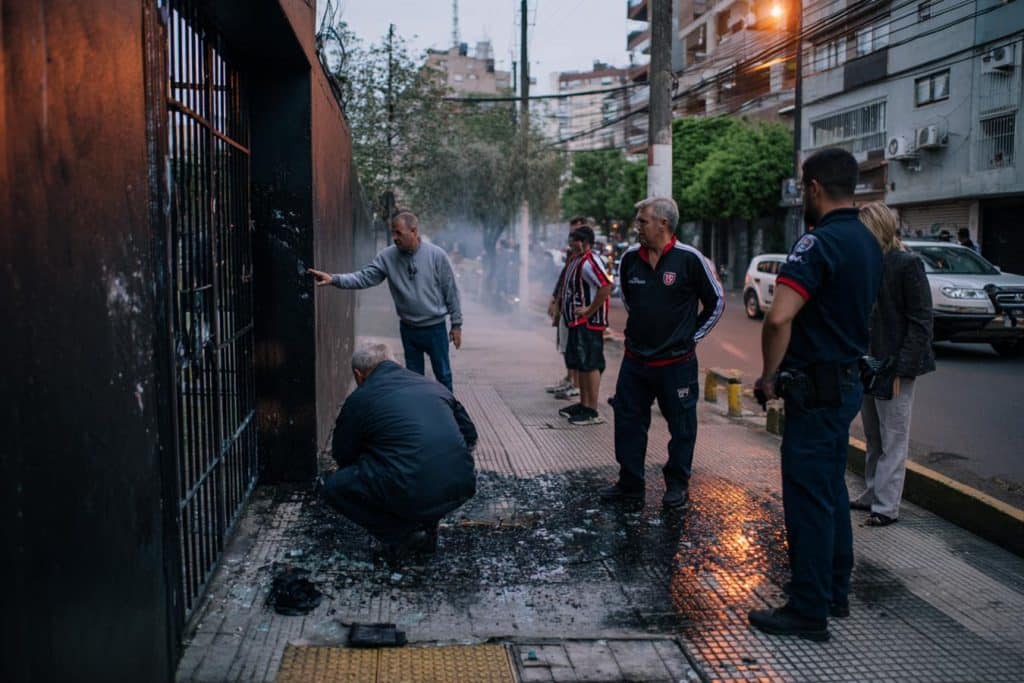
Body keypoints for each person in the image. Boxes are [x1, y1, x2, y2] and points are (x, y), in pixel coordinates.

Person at [749, 148, 883, 642]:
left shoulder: (818, 242)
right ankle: (833, 593)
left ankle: (808, 610)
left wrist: (768, 375)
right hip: (845, 383)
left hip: (816, 388)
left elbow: (779, 316)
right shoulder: (868, 240)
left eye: (803, 187)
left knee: (807, 497)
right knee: (830, 490)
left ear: (814, 187)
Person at [600, 197, 724, 508]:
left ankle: (677, 486)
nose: (637, 227)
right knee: (628, 422)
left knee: (682, 427)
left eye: (642, 221)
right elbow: (631, 301)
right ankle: (630, 484)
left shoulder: (690, 259)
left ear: (663, 224)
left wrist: (690, 338)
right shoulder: (630, 259)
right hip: (635, 362)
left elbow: (716, 302)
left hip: (677, 364)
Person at [321, 343, 477, 562]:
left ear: (358, 375)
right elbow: (470, 435)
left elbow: (343, 455)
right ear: (394, 362)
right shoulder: (432, 385)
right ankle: (427, 526)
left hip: (410, 487)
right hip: (461, 484)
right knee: (416, 471)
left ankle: (403, 534)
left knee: (334, 487)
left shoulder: (360, 399)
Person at [308, 211, 462, 391]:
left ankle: (448, 408)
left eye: (399, 233)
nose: (394, 237)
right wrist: (334, 279)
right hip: (409, 329)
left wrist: (456, 324)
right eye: (392, 232)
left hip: (435, 328)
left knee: (443, 375)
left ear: (413, 231)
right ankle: (418, 409)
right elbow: (364, 277)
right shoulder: (387, 257)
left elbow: (451, 291)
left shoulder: (437, 256)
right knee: (414, 379)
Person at [851, 203, 935, 526]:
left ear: (877, 229)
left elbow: (921, 322)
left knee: (894, 437)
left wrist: (903, 368)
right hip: (868, 363)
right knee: (874, 435)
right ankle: (873, 493)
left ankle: (886, 507)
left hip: (895, 365)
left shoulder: (906, 264)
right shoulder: (866, 263)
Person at [558, 225, 613, 426]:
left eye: (575, 241)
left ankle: (592, 410)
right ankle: (583, 404)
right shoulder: (577, 260)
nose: (572, 244)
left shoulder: (590, 262)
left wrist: (589, 311)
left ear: (585, 243)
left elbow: (605, 286)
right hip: (576, 322)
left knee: (590, 363)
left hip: (588, 323)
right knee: (581, 363)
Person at [546, 216, 590, 398]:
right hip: (567, 307)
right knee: (565, 344)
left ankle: (577, 384)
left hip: (578, 311)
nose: (573, 237)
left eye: (576, 233)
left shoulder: (588, 258)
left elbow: (603, 286)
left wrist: (589, 309)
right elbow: (564, 278)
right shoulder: (572, 255)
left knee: (576, 347)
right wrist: (555, 299)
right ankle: (570, 378)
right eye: (572, 233)